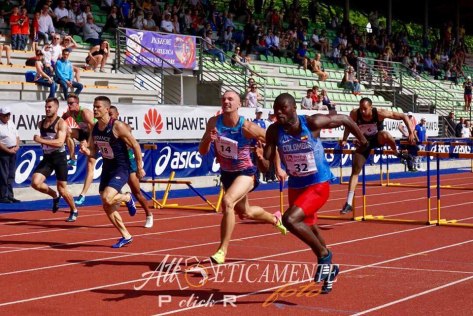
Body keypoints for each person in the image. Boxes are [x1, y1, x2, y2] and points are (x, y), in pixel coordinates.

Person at [262, 93, 368, 294]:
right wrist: (260, 158)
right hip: (296, 185)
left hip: (318, 183)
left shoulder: (311, 122)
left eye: (283, 108)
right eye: (276, 109)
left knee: (290, 220)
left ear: (294, 109)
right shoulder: (274, 131)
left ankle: (324, 256)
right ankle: (330, 269)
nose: (279, 112)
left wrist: (362, 140)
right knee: (310, 227)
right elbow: (266, 164)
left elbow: (345, 119)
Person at [198, 90, 287, 264]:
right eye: (223, 99)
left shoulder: (246, 127)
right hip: (227, 174)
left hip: (246, 173)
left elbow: (273, 141)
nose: (226, 102)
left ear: (239, 104)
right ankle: (275, 218)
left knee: (227, 202)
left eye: (231, 99)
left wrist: (278, 168)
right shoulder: (214, 123)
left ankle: (222, 250)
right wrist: (208, 139)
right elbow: (202, 151)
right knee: (244, 212)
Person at [80, 96, 145, 248]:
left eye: (98, 107)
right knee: (106, 203)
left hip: (121, 166)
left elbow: (135, 145)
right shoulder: (95, 129)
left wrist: (139, 166)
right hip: (107, 167)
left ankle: (127, 198)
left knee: (109, 198)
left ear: (107, 109)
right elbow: (94, 152)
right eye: (94, 106)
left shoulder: (117, 126)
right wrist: (85, 151)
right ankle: (126, 236)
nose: (94, 109)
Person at [340, 97, 415, 214]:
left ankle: (395, 152)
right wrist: (344, 139)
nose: (363, 112)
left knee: (385, 134)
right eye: (361, 109)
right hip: (364, 141)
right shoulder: (355, 113)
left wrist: (410, 132)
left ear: (371, 107)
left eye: (365, 109)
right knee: (355, 170)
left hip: (377, 139)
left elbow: (403, 116)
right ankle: (349, 203)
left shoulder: (379, 113)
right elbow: (349, 126)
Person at [31, 98, 79, 222]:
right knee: (35, 183)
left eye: (49, 107)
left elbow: (59, 143)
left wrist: (41, 140)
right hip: (47, 157)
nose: (47, 109)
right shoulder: (41, 123)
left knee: (62, 188)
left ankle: (74, 209)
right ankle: (54, 195)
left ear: (56, 108)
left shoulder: (61, 123)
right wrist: (43, 142)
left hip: (59, 157)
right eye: (46, 107)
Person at [109, 105, 154, 228]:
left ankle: (149, 214)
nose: (110, 116)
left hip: (128, 162)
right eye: (108, 113)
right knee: (108, 193)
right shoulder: (105, 128)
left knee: (137, 192)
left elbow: (131, 145)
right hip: (113, 163)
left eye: (112, 114)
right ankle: (126, 198)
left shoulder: (122, 126)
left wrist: (139, 167)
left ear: (117, 114)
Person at [61, 93, 96, 205]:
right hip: (85, 134)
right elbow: (61, 120)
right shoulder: (70, 112)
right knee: (68, 132)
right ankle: (72, 158)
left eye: (71, 103)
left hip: (96, 135)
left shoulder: (85, 113)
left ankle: (83, 194)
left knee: (90, 165)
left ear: (77, 104)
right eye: (68, 103)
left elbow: (93, 130)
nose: (69, 106)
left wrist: (88, 144)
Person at [0, 106, 20, 203]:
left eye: (8, 114)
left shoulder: (11, 123)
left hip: (13, 151)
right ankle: (3, 196)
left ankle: (10, 195)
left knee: (11, 174)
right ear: (1, 115)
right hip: (4, 152)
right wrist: (8, 150)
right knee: (4, 174)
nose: (7, 117)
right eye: (5, 115)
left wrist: (17, 146)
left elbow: (16, 136)